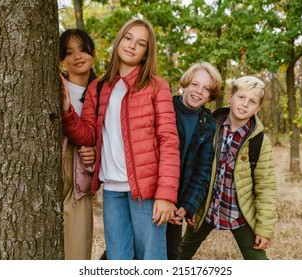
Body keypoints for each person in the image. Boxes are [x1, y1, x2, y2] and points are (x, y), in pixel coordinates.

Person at [61, 18, 180, 260]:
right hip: (112, 191)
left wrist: (166, 195)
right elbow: (88, 135)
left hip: (145, 192)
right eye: (128, 38)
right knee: (119, 262)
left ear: (147, 52)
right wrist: (67, 112)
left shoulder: (157, 86)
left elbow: (168, 141)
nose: (132, 45)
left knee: (152, 261)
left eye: (141, 43)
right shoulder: (99, 87)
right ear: (118, 41)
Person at [179, 76, 278, 260]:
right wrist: (191, 205)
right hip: (206, 208)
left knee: (258, 260)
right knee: (181, 253)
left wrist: (264, 229)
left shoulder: (258, 141)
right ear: (230, 97)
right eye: (241, 97)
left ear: (258, 108)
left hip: (239, 213)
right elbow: (194, 169)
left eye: (252, 101)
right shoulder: (210, 127)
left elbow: (266, 187)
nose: (244, 104)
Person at [166, 62, 222, 260]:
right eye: (195, 84)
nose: (199, 91)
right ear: (185, 84)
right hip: (151, 198)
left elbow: (202, 172)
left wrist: (186, 207)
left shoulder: (208, 126)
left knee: (171, 255)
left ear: (210, 95)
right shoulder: (165, 108)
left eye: (206, 89)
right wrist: (164, 199)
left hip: (178, 203)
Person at [59, 29, 97, 260]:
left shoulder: (103, 92)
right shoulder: (53, 87)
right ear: (62, 60)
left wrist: (95, 153)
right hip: (50, 170)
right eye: (69, 52)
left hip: (80, 181)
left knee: (77, 253)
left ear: (92, 54)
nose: (77, 56)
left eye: (83, 49)